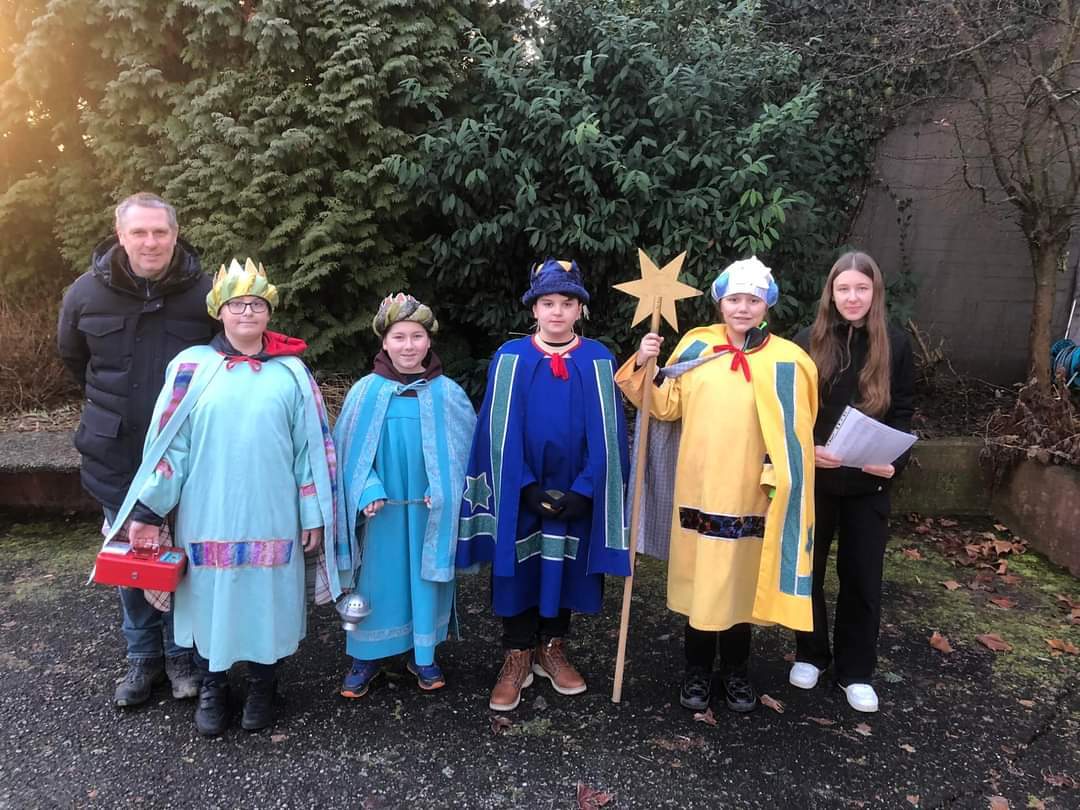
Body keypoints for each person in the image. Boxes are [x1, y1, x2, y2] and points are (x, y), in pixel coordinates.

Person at [104, 258, 344, 736]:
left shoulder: (293, 373)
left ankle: (263, 684)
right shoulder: (191, 367)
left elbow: (312, 450)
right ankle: (213, 684)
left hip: (273, 512)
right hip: (208, 511)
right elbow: (170, 445)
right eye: (237, 304)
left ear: (269, 311)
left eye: (256, 304)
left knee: (266, 597)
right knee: (208, 596)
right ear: (219, 311)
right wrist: (150, 508)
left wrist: (312, 512)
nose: (247, 312)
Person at [616, 257, 817, 714]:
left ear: (767, 305)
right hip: (700, 489)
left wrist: (778, 478)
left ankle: (737, 672)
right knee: (703, 584)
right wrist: (644, 362)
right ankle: (697, 670)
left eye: (752, 300)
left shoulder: (789, 361)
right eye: (734, 299)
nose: (742, 308)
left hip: (752, 492)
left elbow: (796, 434)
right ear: (720, 303)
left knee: (741, 586)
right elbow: (664, 405)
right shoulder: (696, 345)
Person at [58, 192, 215, 707]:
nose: (151, 242)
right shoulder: (84, 293)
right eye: (139, 232)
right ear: (121, 235)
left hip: (188, 455)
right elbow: (73, 358)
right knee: (132, 557)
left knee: (184, 555)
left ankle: (181, 656)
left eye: (160, 232)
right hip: (116, 453)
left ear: (175, 234)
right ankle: (142, 657)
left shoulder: (206, 293)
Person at [456, 258, 630, 712]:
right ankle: (517, 654)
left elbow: (610, 432)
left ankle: (551, 648)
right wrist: (524, 486)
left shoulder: (597, 359)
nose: (557, 311)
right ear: (533, 309)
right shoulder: (511, 358)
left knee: (565, 567)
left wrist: (586, 489)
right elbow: (495, 430)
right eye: (548, 303)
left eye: (567, 303)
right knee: (518, 568)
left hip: (575, 489)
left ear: (580, 310)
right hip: (522, 491)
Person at [789, 251, 915, 713]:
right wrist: (806, 449)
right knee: (809, 572)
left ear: (875, 292)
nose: (853, 297)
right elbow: (791, 411)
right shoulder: (806, 341)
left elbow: (903, 411)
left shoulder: (895, 344)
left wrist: (895, 463)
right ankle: (810, 653)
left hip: (869, 483)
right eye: (844, 288)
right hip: (818, 480)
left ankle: (856, 671)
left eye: (862, 288)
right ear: (831, 293)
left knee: (862, 577)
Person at [333, 293, 476, 698]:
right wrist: (367, 489)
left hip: (430, 510)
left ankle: (423, 653)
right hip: (380, 514)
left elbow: (465, 452)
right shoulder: (365, 392)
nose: (408, 346)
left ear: (429, 341)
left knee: (426, 577)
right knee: (376, 579)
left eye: (417, 336)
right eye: (399, 337)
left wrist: (441, 486)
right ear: (384, 342)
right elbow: (347, 453)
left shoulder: (448, 393)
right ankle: (366, 654)